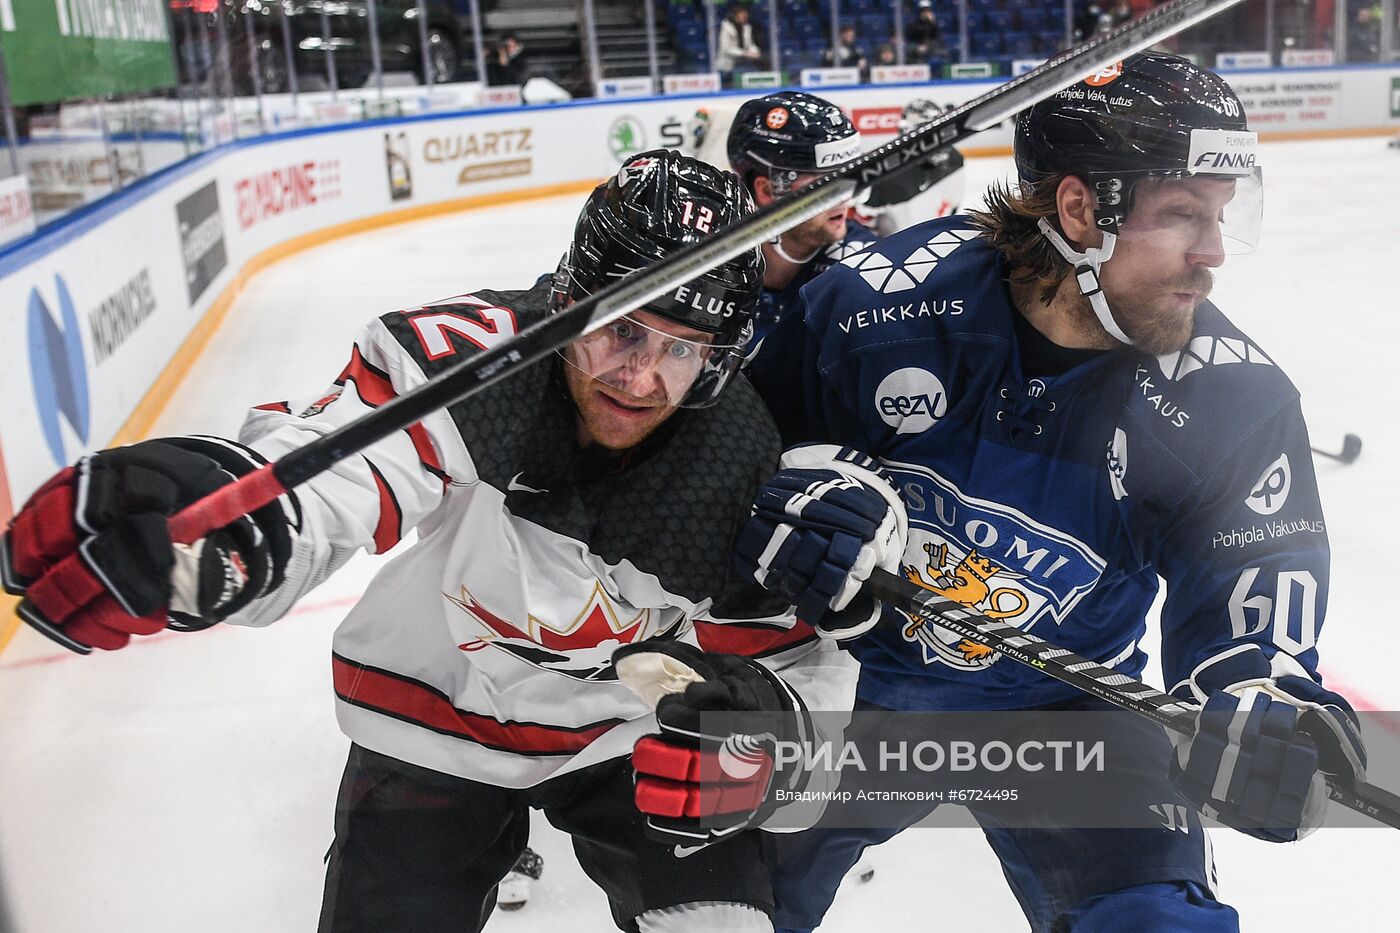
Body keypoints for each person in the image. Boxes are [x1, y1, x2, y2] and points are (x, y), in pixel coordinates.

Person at [0, 150, 868, 932]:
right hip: (435, 714)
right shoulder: (480, 362)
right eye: (623, 327)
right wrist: (232, 514)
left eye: (681, 350)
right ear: (571, 299)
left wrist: (769, 729)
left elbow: (798, 675)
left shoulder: (745, 465)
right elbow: (336, 469)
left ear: (719, 358)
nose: (638, 376)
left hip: (626, 733)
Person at [736, 52, 1366, 932]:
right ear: (1079, 209)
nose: (1214, 253)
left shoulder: (1232, 399)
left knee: (1155, 920)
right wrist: (793, 496)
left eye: (1222, 217)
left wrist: (1264, 693)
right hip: (852, 688)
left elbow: (1252, 590)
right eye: (1183, 214)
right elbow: (730, 468)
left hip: (1066, 705)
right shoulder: (872, 305)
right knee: (721, 904)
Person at [722, 91, 877, 360]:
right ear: (769, 189)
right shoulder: (713, 264)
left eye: (849, 178)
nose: (846, 199)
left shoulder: (863, 266)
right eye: (827, 185)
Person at [854, 97, 966, 237]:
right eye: (928, 133)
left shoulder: (955, 160)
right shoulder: (886, 178)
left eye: (940, 130)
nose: (937, 139)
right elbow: (862, 224)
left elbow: (953, 207)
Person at [716, 5, 764, 84]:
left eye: (746, 16)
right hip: (727, 65)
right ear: (735, 16)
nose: (745, 17)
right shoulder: (725, 28)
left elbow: (750, 44)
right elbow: (726, 49)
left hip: (742, 62)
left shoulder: (747, 27)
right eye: (743, 16)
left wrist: (755, 51)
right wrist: (745, 53)